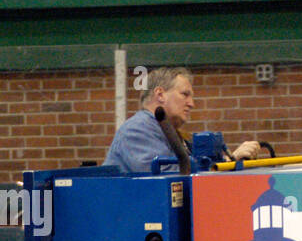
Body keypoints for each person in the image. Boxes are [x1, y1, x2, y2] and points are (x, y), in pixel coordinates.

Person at [104, 66, 262, 174]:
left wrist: (229, 162)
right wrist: (228, 162)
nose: (191, 104)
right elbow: (168, 178)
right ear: (160, 95)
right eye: (185, 94)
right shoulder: (137, 130)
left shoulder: (172, 134)